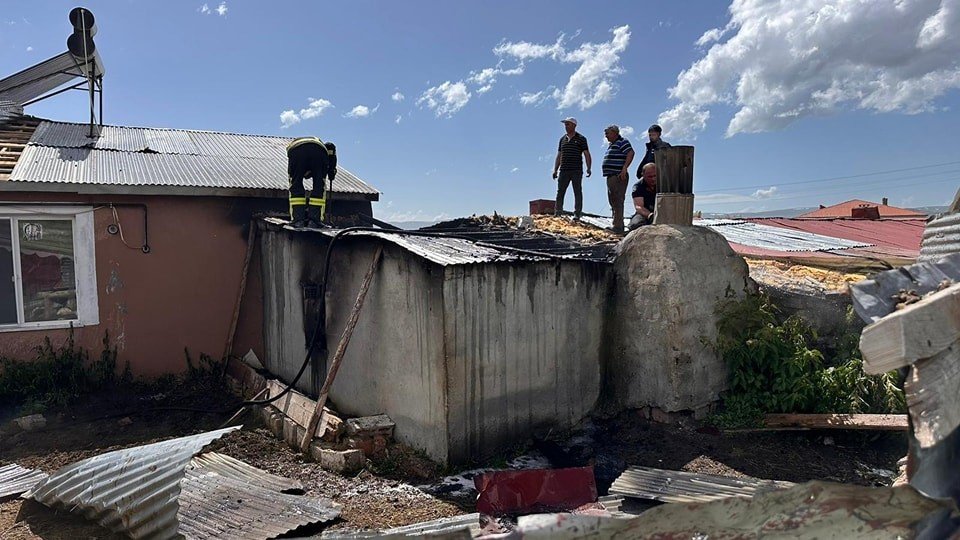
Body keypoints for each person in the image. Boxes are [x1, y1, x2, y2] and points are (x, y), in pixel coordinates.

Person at [286, 137, 337, 228]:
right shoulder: (322, 146)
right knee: (319, 186)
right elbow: (330, 147)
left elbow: (292, 182)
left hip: (296, 150)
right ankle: (314, 221)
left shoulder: (294, 156)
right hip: (318, 151)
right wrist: (331, 171)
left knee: (295, 185)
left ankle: (298, 220)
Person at [552, 117, 591, 220]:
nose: (566, 126)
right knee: (560, 191)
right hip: (564, 170)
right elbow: (559, 155)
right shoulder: (562, 139)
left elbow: (586, 154)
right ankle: (558, 212)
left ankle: (577, 214)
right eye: (565, 124)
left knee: (577, 191)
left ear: (574, 125)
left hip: (576, 170)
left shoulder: (581, 139)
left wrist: (588, 168)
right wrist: (555, 170)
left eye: (568, 124)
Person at [601, 125, 635, 233]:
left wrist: (624, 168)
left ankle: (618, 226)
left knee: (617, 200)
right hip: (611, 175)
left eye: (608, 133)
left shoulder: (622, 141)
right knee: (613, 200)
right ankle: (616, 223)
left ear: (615, 133)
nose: (606, 136)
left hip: (618, 175)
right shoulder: (612, 144)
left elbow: (630, 153)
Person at [629, 162, 657, 230]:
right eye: (650, 177)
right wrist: (650, 215)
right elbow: (639, 206)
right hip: (645, 214)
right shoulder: (638, 186)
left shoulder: (665, 183)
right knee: (636, 224)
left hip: (664, 212)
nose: (653, 179)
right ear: (643, 175)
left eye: (655, 176)